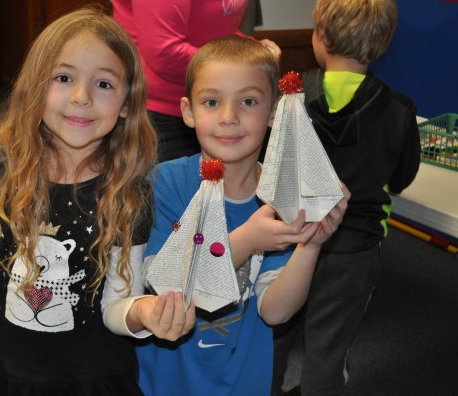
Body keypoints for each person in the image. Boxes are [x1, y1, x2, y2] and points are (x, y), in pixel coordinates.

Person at [0, 8, 158, 396]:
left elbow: (117, 305)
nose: (81, 98)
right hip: (9, 374)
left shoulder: (130, 193)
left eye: (103, 84)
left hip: (95, 381)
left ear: (127, 104)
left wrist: (142, 313)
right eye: (63, 78)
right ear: (35, 87)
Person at [103, 35, 351, 396]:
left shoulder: (280, 195)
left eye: (248, 101)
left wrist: (310, 245)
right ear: (188, 112)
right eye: (212, 102)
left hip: (242, 381)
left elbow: (276, 311)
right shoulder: (166, 184)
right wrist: (248, 240)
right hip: (166, 382)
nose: (229, 117)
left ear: (273, 111)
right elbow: (170, 287)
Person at [271, 1, 422, 395]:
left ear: (321, 36)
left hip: (290, 240)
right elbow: (402, 178)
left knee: (274, 339)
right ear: (384, 42)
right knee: (327, 350)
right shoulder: (400, 111)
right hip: (355, 249)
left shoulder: (293, 97)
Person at [112, 0, 281, 163]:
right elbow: (164, 52)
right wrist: (244, 69)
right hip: (161, 115)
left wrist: (254, 52)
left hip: (212, 104)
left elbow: (213, 29)